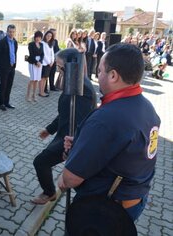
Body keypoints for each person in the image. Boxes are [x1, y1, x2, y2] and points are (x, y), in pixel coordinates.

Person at [58, 43, 161, 221]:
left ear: (113, 75)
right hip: (133, 200)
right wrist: (83, 144)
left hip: (105, 210)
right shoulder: (146, 107)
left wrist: (63, 180)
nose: (97, 76)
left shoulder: (106, 119)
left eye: (100, 71)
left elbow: (69, 179)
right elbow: (123, 148)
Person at [31, 48, 97, 204]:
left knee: (40, 161)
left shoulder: (82, 89)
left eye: (60, 67)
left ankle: (50, 193)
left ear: (71, 66)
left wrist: (69, 149)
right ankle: (49, 191)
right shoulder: (73, 81)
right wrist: (49, 129)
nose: (58, 70)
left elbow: (78, 122)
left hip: (72, 139)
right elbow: (65, 114)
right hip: (64, 134)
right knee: (42, 161)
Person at [0, 24, 18, 111]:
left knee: (9, 85)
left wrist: (14, 64)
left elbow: (14, 53)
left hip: (12, 67)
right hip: (4, 68)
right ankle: (1, 103)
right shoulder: (1, 42)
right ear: (7, 31)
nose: (11, 33)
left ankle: (7, 102)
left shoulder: (15, 42)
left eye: (13, 32)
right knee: (3, 85)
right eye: (10, 32)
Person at [26, 31, 44, 102]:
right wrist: (36, 62)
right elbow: (31, 54)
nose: (38, 38)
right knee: (32, 79)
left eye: (39, 37)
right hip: (33, 63)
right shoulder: (31, 44)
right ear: (35, 37)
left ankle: (34, 95)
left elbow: (43, 54)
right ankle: (28, 95)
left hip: (40, 63)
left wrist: (40, 62)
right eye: (37, 37)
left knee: (36, 79)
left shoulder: (41, 44)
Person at [39, 30, 55, 97]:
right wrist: (49, 62)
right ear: (45, 36)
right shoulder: (42, 43)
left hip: (49, 64)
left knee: (45, 78)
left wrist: (52, 61)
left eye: (50, 36)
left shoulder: (50, 44)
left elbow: (52, 54)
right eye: (48, 36)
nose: (49, 37)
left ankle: (43, 91)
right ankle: (41, 92)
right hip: (44, 63)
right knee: (42, 78)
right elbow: (44, 54)